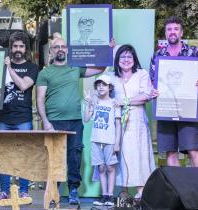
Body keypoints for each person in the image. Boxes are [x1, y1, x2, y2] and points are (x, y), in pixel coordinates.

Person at [36, 37, 112, 205]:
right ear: (51, 51)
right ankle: (53, 192)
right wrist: (46, 123)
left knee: (74, 156)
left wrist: (107, 49)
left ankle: (73, 190)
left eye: (63, 46)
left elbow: (100, 68)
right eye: (56, 47)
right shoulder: (45, 73)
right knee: (54, 158)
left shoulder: (75, 69)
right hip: (54, 123)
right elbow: (39, 99)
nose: (60, 49)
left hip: (75, 121)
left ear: (68, 50)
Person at [149, 16, 198, 167]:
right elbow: (152, 81)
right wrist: (153, 91)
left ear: (181, 32)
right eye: (169, 29)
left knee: (193, 149)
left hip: (187, 108)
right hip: (165, 107)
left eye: (176, 29)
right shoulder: (157, 56)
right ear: (165, 33)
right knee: (171, 151)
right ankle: (176, 189)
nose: (172, 32)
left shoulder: (195, 52)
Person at [0, 31, 39, 203]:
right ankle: (4, 191)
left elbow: (22, 85)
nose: (18, 49)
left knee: (24, 155)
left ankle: (24, 192)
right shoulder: (1, 65)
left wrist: (9, 68)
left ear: (25, 48)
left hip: (23, 119)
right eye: (15, 46)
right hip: (2, 119)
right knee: (3, 155)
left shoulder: (32, 67)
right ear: (10, 48)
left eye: (21, 46)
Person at [111, 44, 155, 200]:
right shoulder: (111, 76)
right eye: (122, 56)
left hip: (137, 121)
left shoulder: (142, 74)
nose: (126, 59)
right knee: (120, 154)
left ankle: (141, 189)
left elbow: (146, 95)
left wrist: (125, 101)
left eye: (129, 56)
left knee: (138, 154)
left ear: (134, 59)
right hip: (116, 122)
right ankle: (123, 190)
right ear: (117, 60)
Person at [83, 74, 121, 206]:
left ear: (109, 87)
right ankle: (104, 196)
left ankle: (110, 196)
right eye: (98, 85)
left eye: (104, 84)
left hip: (110, 141)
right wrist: (88, 104)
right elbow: (86, 119)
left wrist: (117, 143)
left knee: (110, 167)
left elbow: (118, 125)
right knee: (101, 168)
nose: (101, 87)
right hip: (95, 140)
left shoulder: (114, 103)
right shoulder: (94, 101)